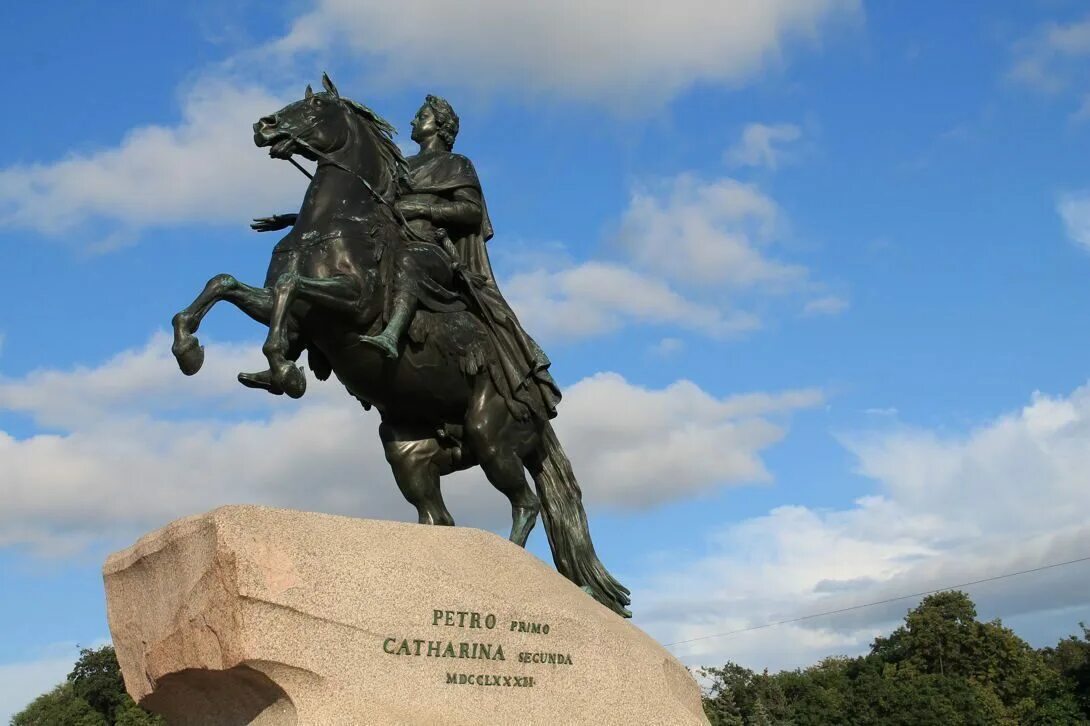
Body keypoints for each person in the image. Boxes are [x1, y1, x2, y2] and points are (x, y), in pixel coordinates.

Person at [253, 95, 560, 423]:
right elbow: (357, 207)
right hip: (389, 239)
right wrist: (295, 219)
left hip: (430, 250)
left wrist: (423, 208)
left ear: (440, 126)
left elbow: (471, 212)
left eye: (421, 116)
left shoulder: (456, 164)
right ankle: (288, 352)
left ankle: (391, 334)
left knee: (407, 260)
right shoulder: (403, 166)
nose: (414, 121)